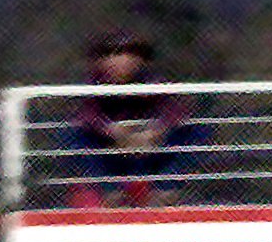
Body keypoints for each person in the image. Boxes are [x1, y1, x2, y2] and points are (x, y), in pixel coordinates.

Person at [64, 31, 206, 207]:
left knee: (195, 131)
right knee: (73, 136)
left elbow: (175, 111)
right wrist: (111, 131)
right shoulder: (91, 85)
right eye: (112, 54)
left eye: (130, 54)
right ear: (100, 61)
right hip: (109, 151)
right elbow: (85, 114)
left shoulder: (153, 82)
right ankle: (110, 193)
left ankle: (166, 189)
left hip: (152, 148)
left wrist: (157, 131)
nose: (122, 61)